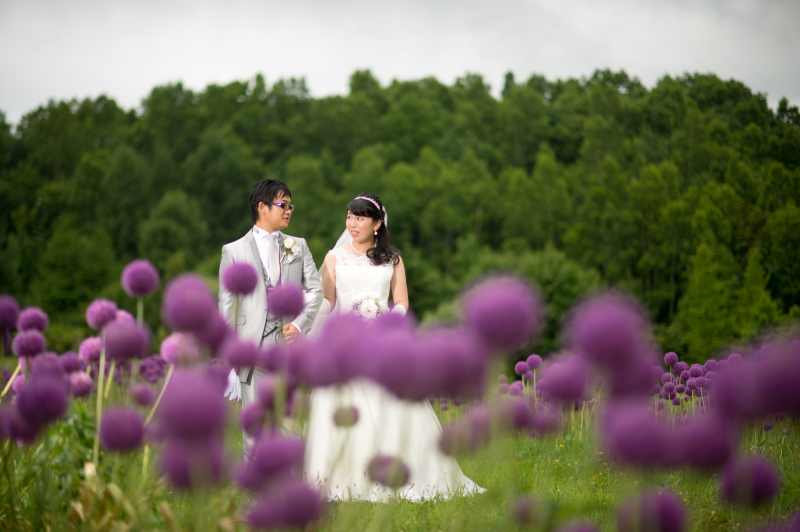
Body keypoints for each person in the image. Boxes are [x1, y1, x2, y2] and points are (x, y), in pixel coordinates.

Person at [303, 193, 484, 501]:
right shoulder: (334, 258)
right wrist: (304, 321)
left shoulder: (393, 259)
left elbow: (401, 302)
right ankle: (347, 475)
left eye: (360, 218)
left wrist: (384, 319)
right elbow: (328, 302)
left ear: (377, 224)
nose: (353, 223)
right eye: (350, 217)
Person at [219, 179, 323, 458]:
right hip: (251, 348)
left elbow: (315, 290)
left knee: (290, 422)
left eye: (291, 206)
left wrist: (300, 325)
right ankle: (256, 492)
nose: (289, 211)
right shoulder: (234, 250)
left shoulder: (297, 246)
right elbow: (228, 304)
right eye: (283, 205)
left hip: (288, 348)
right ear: (262, 207)